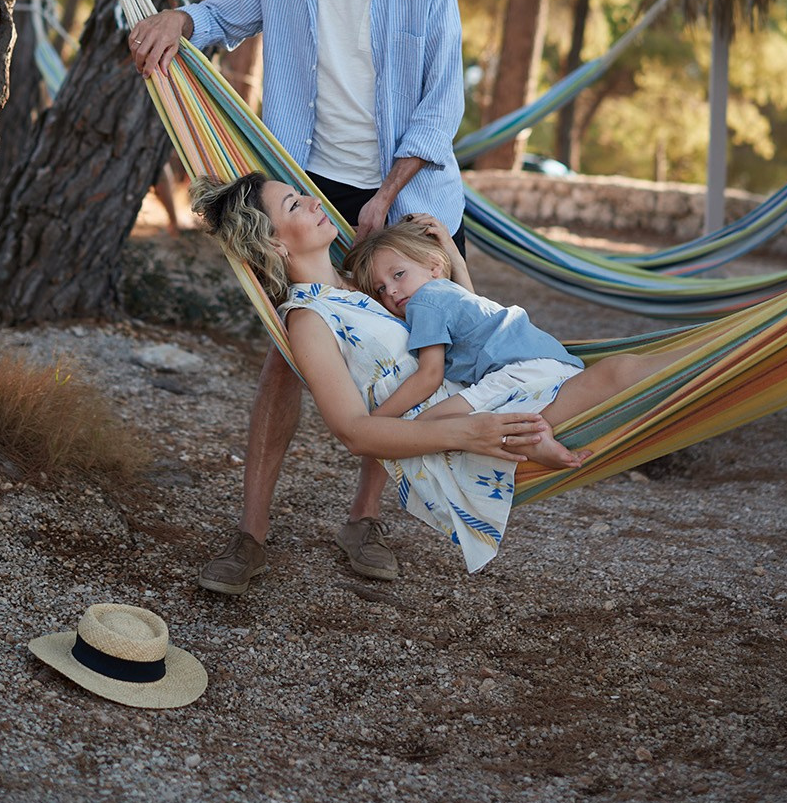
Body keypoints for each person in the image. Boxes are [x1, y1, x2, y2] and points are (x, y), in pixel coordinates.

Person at [128, 0, 466, 593]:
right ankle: (250, 536)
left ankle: (365, 518)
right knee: (287, 357)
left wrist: (386, 198)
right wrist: (177, 21)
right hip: (304, 188)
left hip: (403, 192)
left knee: (400, 356)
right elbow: (219, 17)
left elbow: (439, 111)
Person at [190, 172, 554, 574]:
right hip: (468, 424)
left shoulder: (374, 286)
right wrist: (470, 432)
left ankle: (361, 521)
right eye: (294, 204)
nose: (314, 201)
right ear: (274, 243)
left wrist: (450, 257)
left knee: (622, 373)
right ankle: (253, 533)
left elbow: (462, 326)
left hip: (488, 392)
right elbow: (354, 431)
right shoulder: (310, 319)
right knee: (621, 377)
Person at [345, 219, 702, 468]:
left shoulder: (424, 302)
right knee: (618, 372)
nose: (391, 291)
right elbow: (471, 307)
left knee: (432, 423)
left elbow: (430, 375)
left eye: (398, 275)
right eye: (380, 289)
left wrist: (375, 424)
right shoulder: (449, 294)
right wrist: (453, 255)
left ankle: (528, 438)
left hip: (516, 370)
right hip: (553, 363)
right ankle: (705, 355)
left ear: (434, 267)